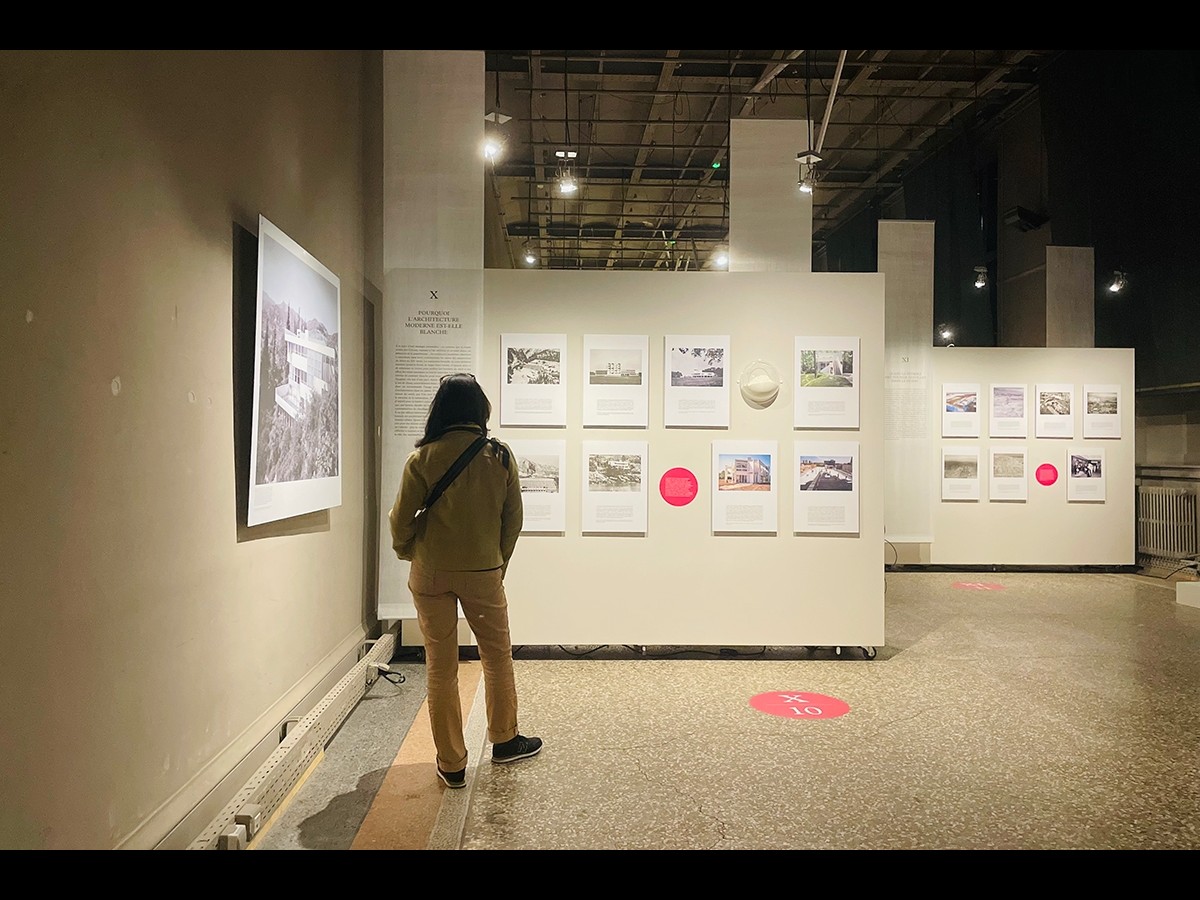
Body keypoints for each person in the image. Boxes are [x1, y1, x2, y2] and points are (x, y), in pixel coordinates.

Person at [388, 373, 542, 789]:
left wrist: (412, 552)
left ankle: (452, 762)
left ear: (439, 410)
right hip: (483, 572)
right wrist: (498, 561)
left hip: (431, 572)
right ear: (481, 410)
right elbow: (513, 520)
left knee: (441, 667)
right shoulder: (501, 457)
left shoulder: (421, 459)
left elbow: (400, 522)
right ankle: (505, 741)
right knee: (496, 656)